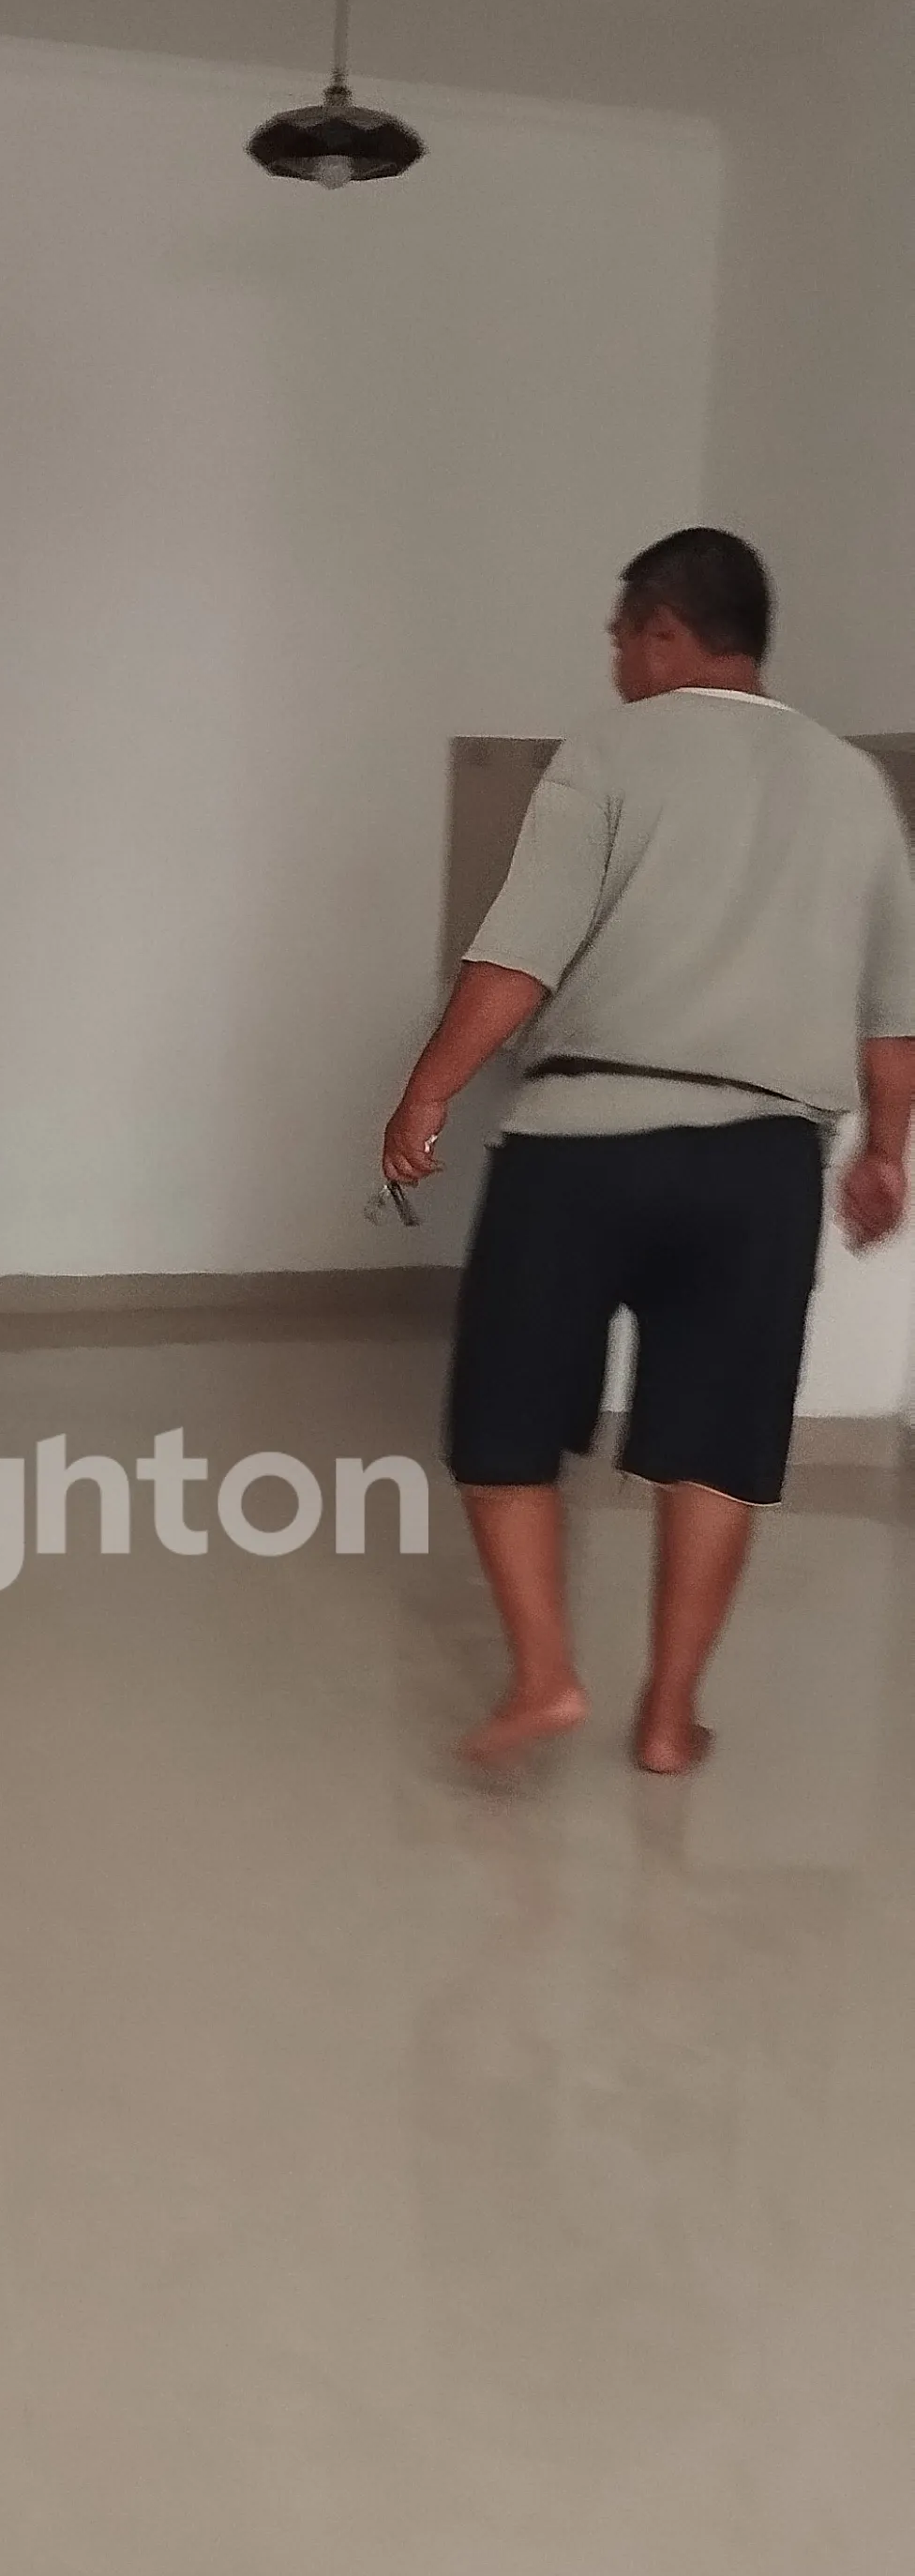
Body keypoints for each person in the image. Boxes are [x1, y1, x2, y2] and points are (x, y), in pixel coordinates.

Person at [382, 528, 915, 1774]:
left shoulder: (609, 751)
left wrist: (426, 1094)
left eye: (623, 636)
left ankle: (546, 1679)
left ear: (666, 631)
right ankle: (670, 1720)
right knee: (718, 1446)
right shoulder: (854, 787)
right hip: (762, 1164)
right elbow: (895, 1019)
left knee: (504, 1424)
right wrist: (884, 1153)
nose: (618, 662)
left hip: (580, 1149)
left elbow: (519, 957)